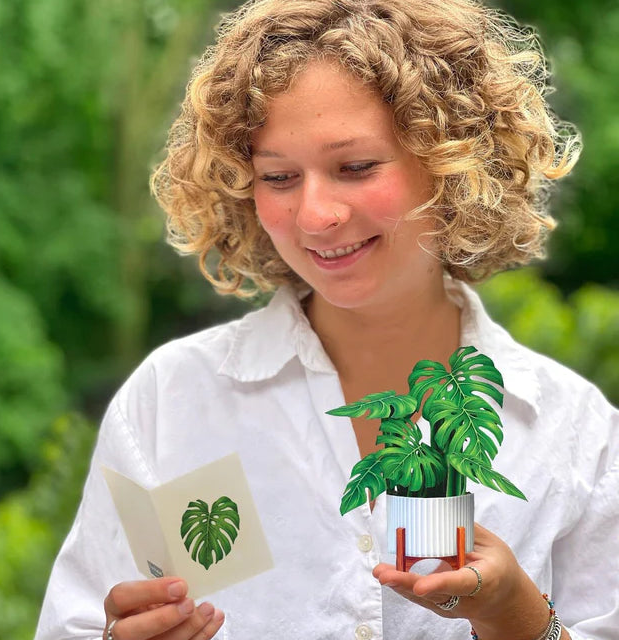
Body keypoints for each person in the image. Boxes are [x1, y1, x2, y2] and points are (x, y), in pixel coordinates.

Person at [35, 0, 619, 639]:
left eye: (356, 167)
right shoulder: (172, 401)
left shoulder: (575, 433)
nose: (316, 214)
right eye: (279, 176)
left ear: (453, 161)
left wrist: (517, 618)